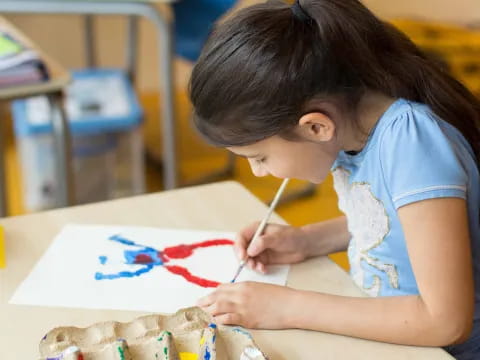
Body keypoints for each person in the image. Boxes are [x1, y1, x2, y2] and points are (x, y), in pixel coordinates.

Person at [188, 0, 480, 358]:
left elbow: (446, 321)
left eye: (260, 158)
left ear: (315, 126)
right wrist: (307, 240)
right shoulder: (350, 129)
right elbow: (400, 221)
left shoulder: (413, 144)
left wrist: (288, 308)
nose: (259, 172)